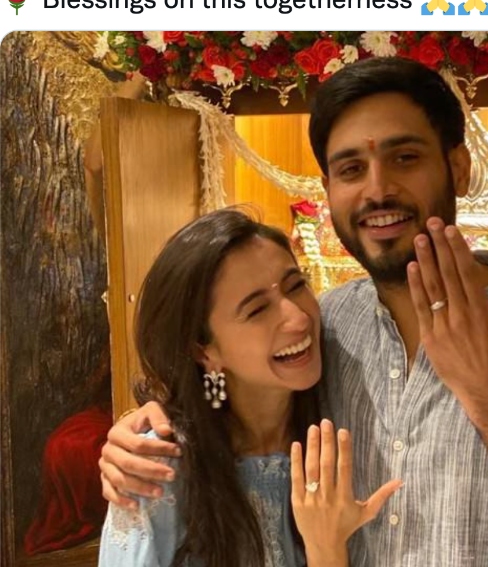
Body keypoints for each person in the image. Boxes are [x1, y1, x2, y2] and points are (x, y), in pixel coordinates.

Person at [100, 58, 488, 566]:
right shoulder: (331, 325)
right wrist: (144, 431)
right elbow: (237, 406)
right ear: (329, 190)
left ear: (458, 168)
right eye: (352, 168)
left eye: (405, 158)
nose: (378, 189)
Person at [97, 208, 401, 567]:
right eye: (257, 310)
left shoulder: (340, 421)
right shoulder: (157, 472)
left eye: (296, 285)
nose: (299, 318)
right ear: (203, 351)